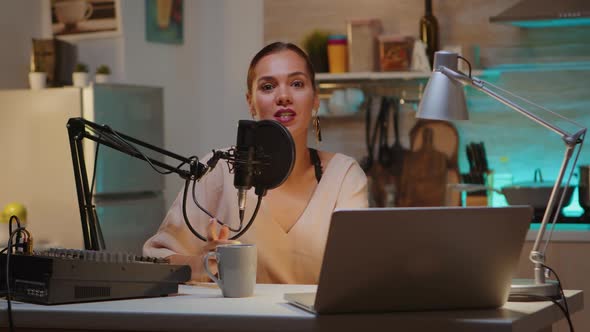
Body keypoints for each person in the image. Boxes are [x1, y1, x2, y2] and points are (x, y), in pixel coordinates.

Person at [143, 42, 368, 284]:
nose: (283, 97)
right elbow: (154, 261)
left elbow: (357, 273)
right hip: (239, 323)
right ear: (250, 102)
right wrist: (207, 262)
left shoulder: (344, 176)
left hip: (316, 322)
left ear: (315, 99)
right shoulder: (219, 168)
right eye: (268, 86)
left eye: (297, 84)